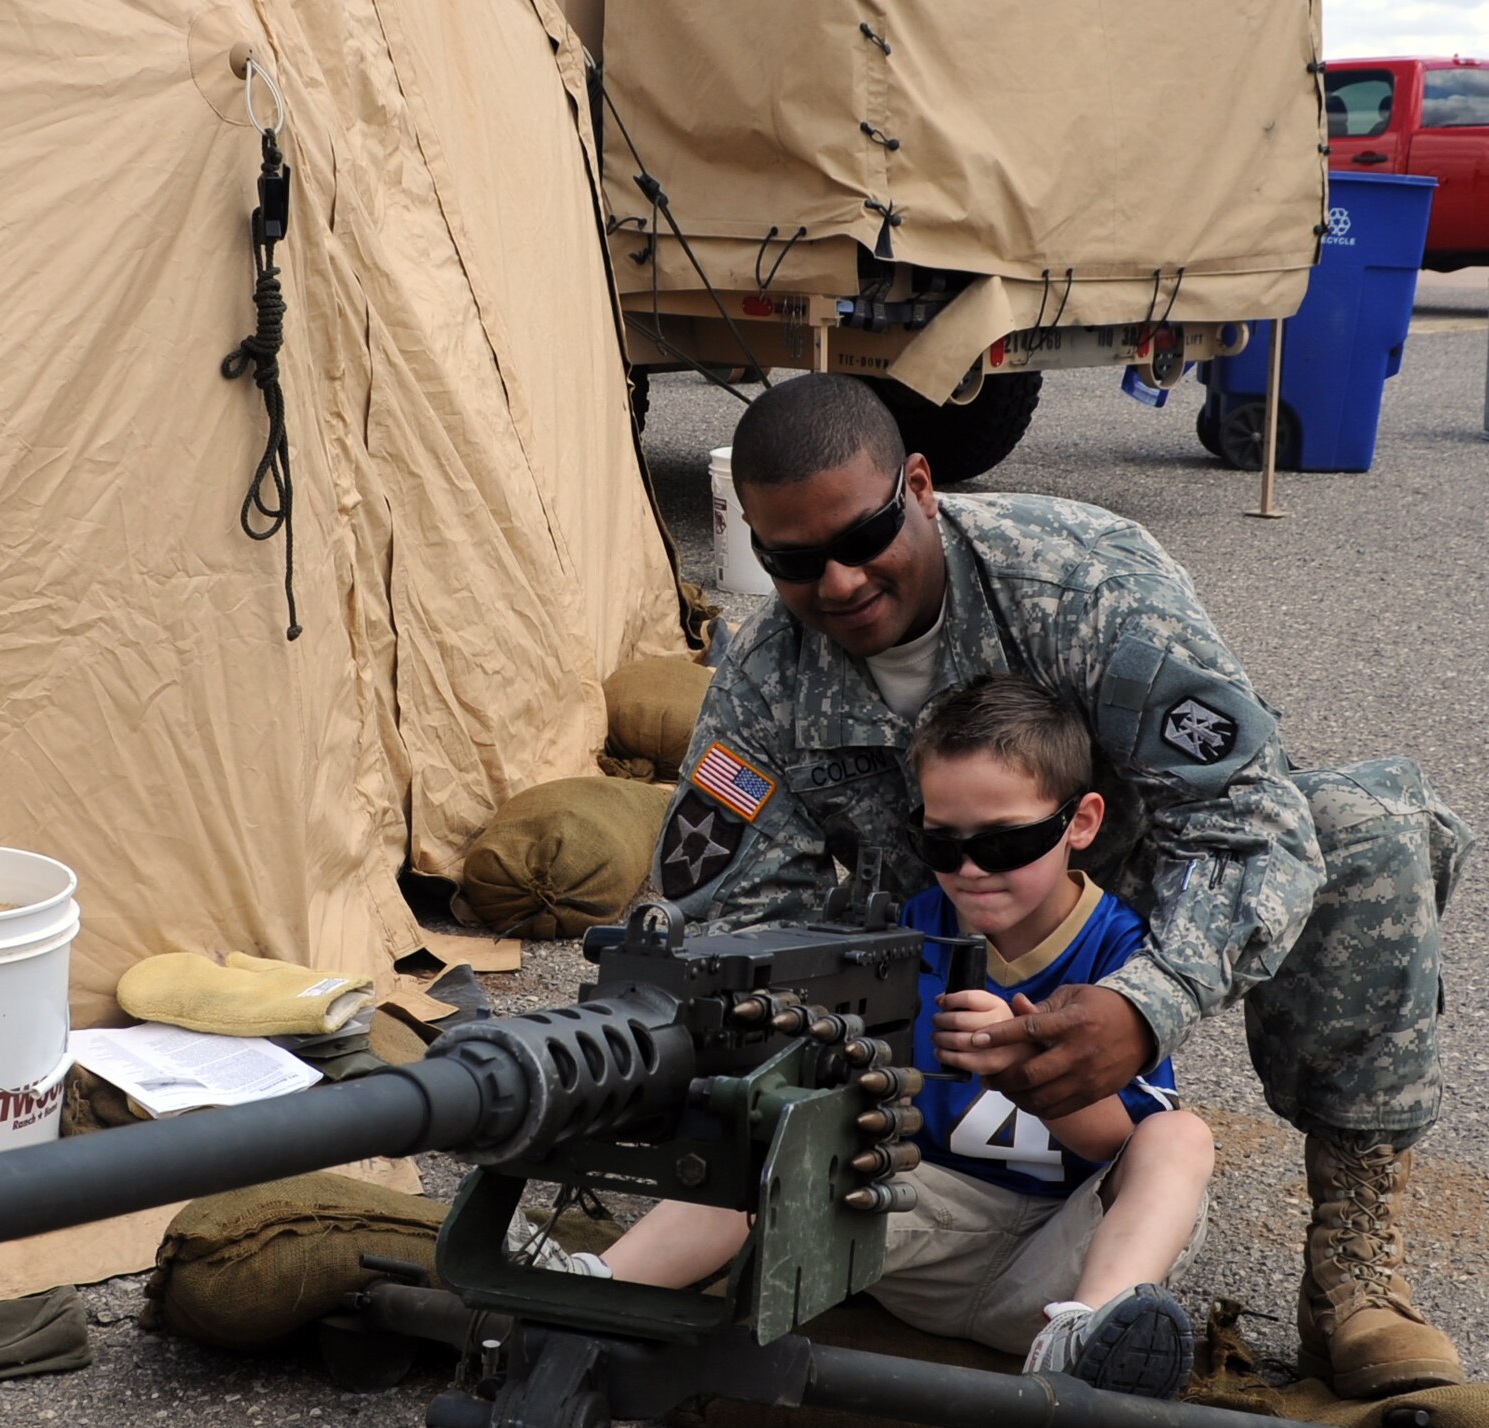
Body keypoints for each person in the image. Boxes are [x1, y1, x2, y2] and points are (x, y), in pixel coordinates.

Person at [648, 372, 1471, 1397]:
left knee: (1364, 830)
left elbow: (1245, 819)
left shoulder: (1079, 583)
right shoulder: (762, 678)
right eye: (794, 562)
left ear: (917, 486)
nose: (840, 583)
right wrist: (810, 1056)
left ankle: (1352, 1273)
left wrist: (1144, 1004)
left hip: (1113, 867)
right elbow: (724, 916)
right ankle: (852, 1208)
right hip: (922, 924)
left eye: (862, 539)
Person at [586, 674, 1215, 1397]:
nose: (970, 870)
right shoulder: (908, 930)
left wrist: (1032, 1067)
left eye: (1005, 843)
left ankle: (1089, 1338)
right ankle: (590, 1293)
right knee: (778, 1137)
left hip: (1063, 1260)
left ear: (1080, 822)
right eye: (943, 846)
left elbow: (1118, 1146)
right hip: (908, 1235)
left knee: (1181, 1138)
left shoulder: (1124, 951)